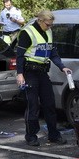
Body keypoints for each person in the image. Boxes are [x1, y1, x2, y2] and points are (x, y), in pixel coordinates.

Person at [15, 9, 71, 147]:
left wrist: (62, 67)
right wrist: (20, 74)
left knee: (49, 104)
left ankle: (53, 135)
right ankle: (31, 136)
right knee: (33, 105)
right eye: (48, 24)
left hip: (42, 73)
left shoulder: (48, 31)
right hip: (30, 72)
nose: (50, 27)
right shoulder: (27, 32)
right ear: (40, 21)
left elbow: (52, 52)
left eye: (51, 25)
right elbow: (20, 55)